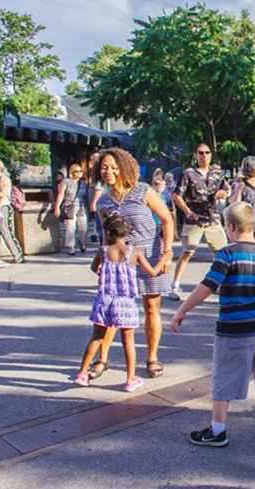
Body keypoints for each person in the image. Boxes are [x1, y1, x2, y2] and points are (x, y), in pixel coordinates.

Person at [170, 202, 255, 448]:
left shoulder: (227, 254)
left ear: (232, 227)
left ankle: (218, 430)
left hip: (236, 326)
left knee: (225, 374)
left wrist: (183, 310)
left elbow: (207, 286)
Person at [94, 148, 174, 380]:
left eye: (113, 167)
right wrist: (102, 261)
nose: (108, 171)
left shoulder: (143, 191)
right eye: (104, 167)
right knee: (112, 310)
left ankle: (152, 358)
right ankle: (102, 359)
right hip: (120, 263)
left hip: (149, 256)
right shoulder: (104, 202)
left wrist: (167, 252)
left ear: (124, 168)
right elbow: (106, 236)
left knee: (151, 308)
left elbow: (167, 219)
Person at [73, 213, 160, 391]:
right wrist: (165, 259)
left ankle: (82, 373)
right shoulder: (134, 252)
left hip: (104, 299)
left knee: (97, 337)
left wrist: (105, 275)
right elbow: (152, 272)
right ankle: (130, 379)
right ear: (128, 233)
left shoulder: (103, 251)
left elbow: (93, 267)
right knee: (128, 341)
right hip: (125, 302)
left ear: (108, 232)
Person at [169, 143, 230, 300]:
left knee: (222, 254)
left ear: (211, 155)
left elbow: (227, 189)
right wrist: (187, 212)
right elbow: (176, 196)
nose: (204, 156)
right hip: (194, 219)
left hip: (213, 218)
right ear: (196, 155)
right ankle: (175, 286)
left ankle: (221, 284)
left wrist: (223, 193)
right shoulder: (188, 173)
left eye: (207, 152)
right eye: (200, 153)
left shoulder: (218, 172)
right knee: (187, 252)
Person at [0, 157, 24, 267]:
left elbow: (4, 194)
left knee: (6, 232)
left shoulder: (3, 178)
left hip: (3, 207)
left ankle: (17, 254)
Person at [54, 163, 89, 255]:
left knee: (83, 227)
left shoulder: (84, 183)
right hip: (70, 207)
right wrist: (57, 207)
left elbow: (86, 197)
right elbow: (61, 194)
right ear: (71, 173)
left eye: (81, 171)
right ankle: (71, 247)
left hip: (81, 207)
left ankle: (82, 243)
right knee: (70, 228)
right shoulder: (65, 182)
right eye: (77, 171)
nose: (80, 173)